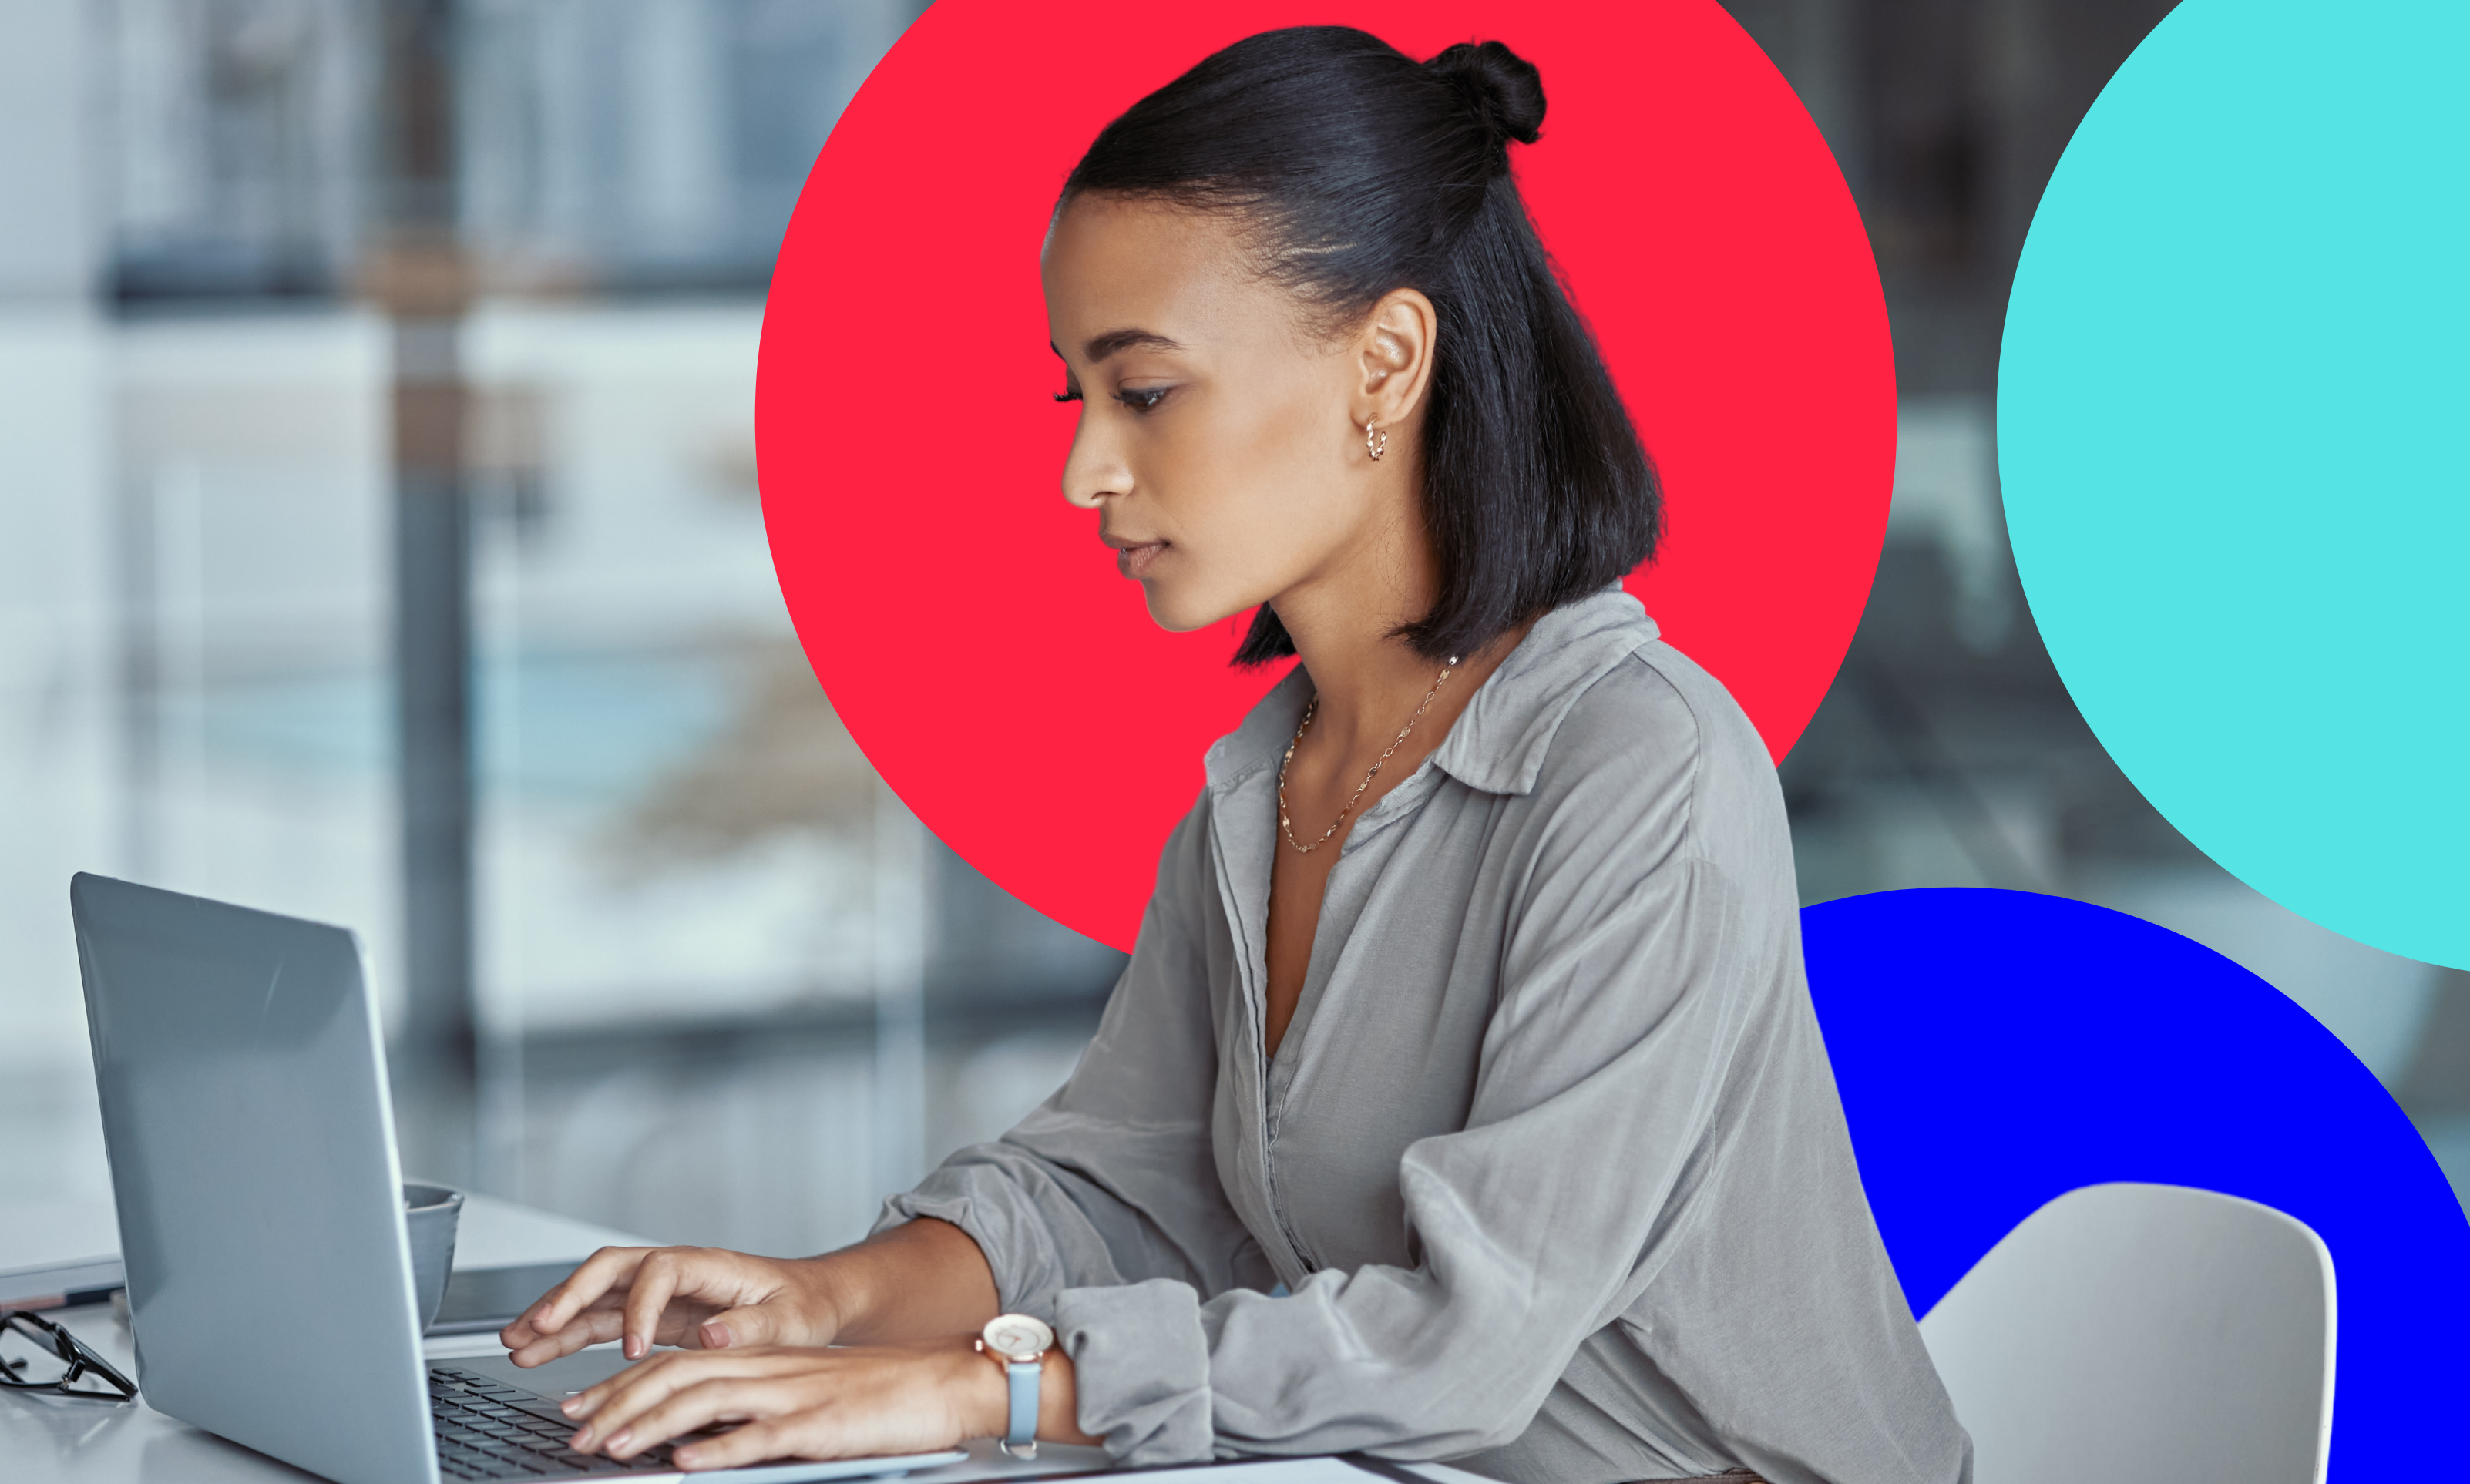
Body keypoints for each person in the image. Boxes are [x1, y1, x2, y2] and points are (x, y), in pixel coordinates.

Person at [499, 27, 1970, 1484]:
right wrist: (825, 1300)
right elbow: (1114, 1187)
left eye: (1142, 390)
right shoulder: (1270, 785)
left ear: (1384, 364)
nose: (1084, 466)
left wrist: (971, 1396)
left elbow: (1465, 1338)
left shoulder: (1644, 770)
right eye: (1073, 394)